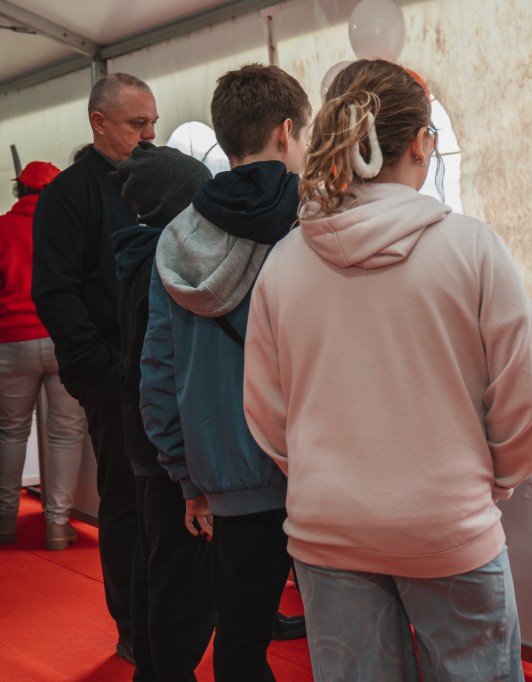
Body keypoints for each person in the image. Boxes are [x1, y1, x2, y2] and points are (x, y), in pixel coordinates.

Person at [242, 58, 532, 681]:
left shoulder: (284, 262)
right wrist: (491, 485)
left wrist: (325, 477)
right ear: (419, 143)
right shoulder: (473, 247)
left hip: (327, 528)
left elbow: (267, 414)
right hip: (448, 524)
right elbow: (522, 401)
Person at [139, 63, 311, 681]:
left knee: (239, 647)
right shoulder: (313, 223)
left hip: (225, 477)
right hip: (316, 468)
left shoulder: (175, 239)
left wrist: (186, 476)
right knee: (347, 642)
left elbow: (158, 374)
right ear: (287, 131)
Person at [32, 72, 158, 663]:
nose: (149, 133)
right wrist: (104, 373)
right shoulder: (68, 195)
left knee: (167, 498)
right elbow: (55, 293)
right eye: (138, 123)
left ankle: (172, 611)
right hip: (113, 375)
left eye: (153, 121)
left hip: (157, 368)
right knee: (127, 498)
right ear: (98, 122)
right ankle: (131, 622)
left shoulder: (149, 181)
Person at [110, 143, 217, 681]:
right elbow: (163, 367)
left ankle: (152, 667)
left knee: (155, 561)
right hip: (165, 441)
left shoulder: (134, 254)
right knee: (182, 574)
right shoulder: (165, 262)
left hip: (144, 435)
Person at [0, 161, 88, 550]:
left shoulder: (2, 227)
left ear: (19, 190)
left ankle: (5, 520)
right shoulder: (68, 226)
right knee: (66, 432)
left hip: (11, 340)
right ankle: (57, 526)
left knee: (10, 431)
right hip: (61, 339)